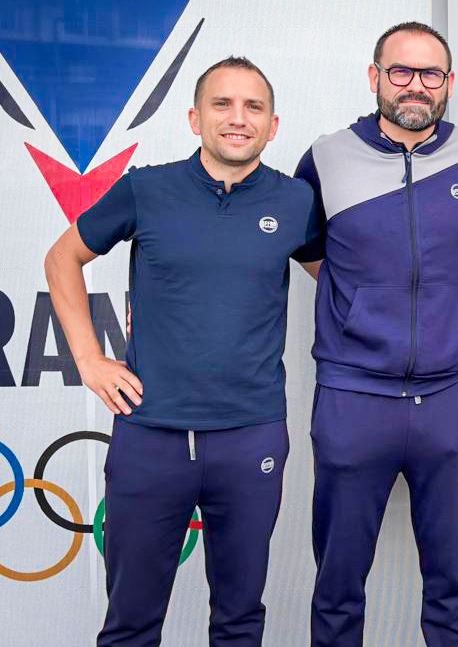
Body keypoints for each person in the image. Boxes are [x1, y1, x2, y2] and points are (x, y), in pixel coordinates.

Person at [44, 57, 320, 647]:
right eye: (222, 104)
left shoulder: (297, 202)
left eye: (253, 107)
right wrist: (89, 359)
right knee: (131, 624)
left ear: (273, 125)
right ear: (195, 118)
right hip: (151, 436)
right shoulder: (146, 189)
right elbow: (62, 258)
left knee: (240, 621)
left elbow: (349, 282)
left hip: (250, 436)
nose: (238, 118)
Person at [293, 22, 458, 647]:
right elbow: (312, 251)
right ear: (375, 76)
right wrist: (368, 296)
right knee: (339, 582)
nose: (415, 85)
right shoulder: (326, 156)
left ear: (448, 83)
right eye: (400, 71)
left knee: (452, 580)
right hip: (355, 395)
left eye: (430, 74)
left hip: (450, 394)